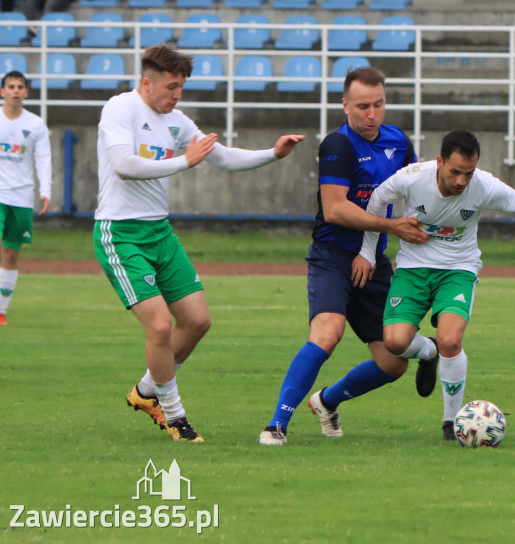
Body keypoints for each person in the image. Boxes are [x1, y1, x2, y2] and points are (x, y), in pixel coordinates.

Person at [95, 45, 304, 442]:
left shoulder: (175, 121)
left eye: (181, 88)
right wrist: (184, 162)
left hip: (160, 232)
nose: (176, 96)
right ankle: (174, 416)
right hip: (120, 233)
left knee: (196, 321)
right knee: (159, 326)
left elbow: (221, 157)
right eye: (171, 87)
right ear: (146, 82)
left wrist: (273, 154)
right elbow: (124, 167)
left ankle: (144, 391)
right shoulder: (120, 109)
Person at [356, 130, 515, 441]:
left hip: (458, 270)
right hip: (412, 269)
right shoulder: (412, 177)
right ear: (440, 161)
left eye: (468, 173)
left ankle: (451, 422)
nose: (461, 181)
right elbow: (377, 199)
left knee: (451, 340)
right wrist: (367, 251)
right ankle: (428, 352)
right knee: (394, 343)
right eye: (455, 172)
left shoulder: (484, 186)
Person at [258, 66, 429, 446]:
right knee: (327, 335)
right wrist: (392, 227)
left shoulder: (398, 141)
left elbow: (418, 194)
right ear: (345, 105)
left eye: (379, 105)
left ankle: (327, 401)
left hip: (373, 262)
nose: (372, 115)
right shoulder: (337, 145)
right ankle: (276, 425)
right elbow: (335, 209)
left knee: (393, 361)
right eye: (363, 106)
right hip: (334, 257)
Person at [0, 71, 51, 327]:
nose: (16, 90)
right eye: (11, 86)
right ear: (2, 91)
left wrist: (46, 191)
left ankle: (1, 311)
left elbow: (43, 159)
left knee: (10, 253)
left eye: (20, 86)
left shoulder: (36, 124)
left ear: (26, 92)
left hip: (21, 197)